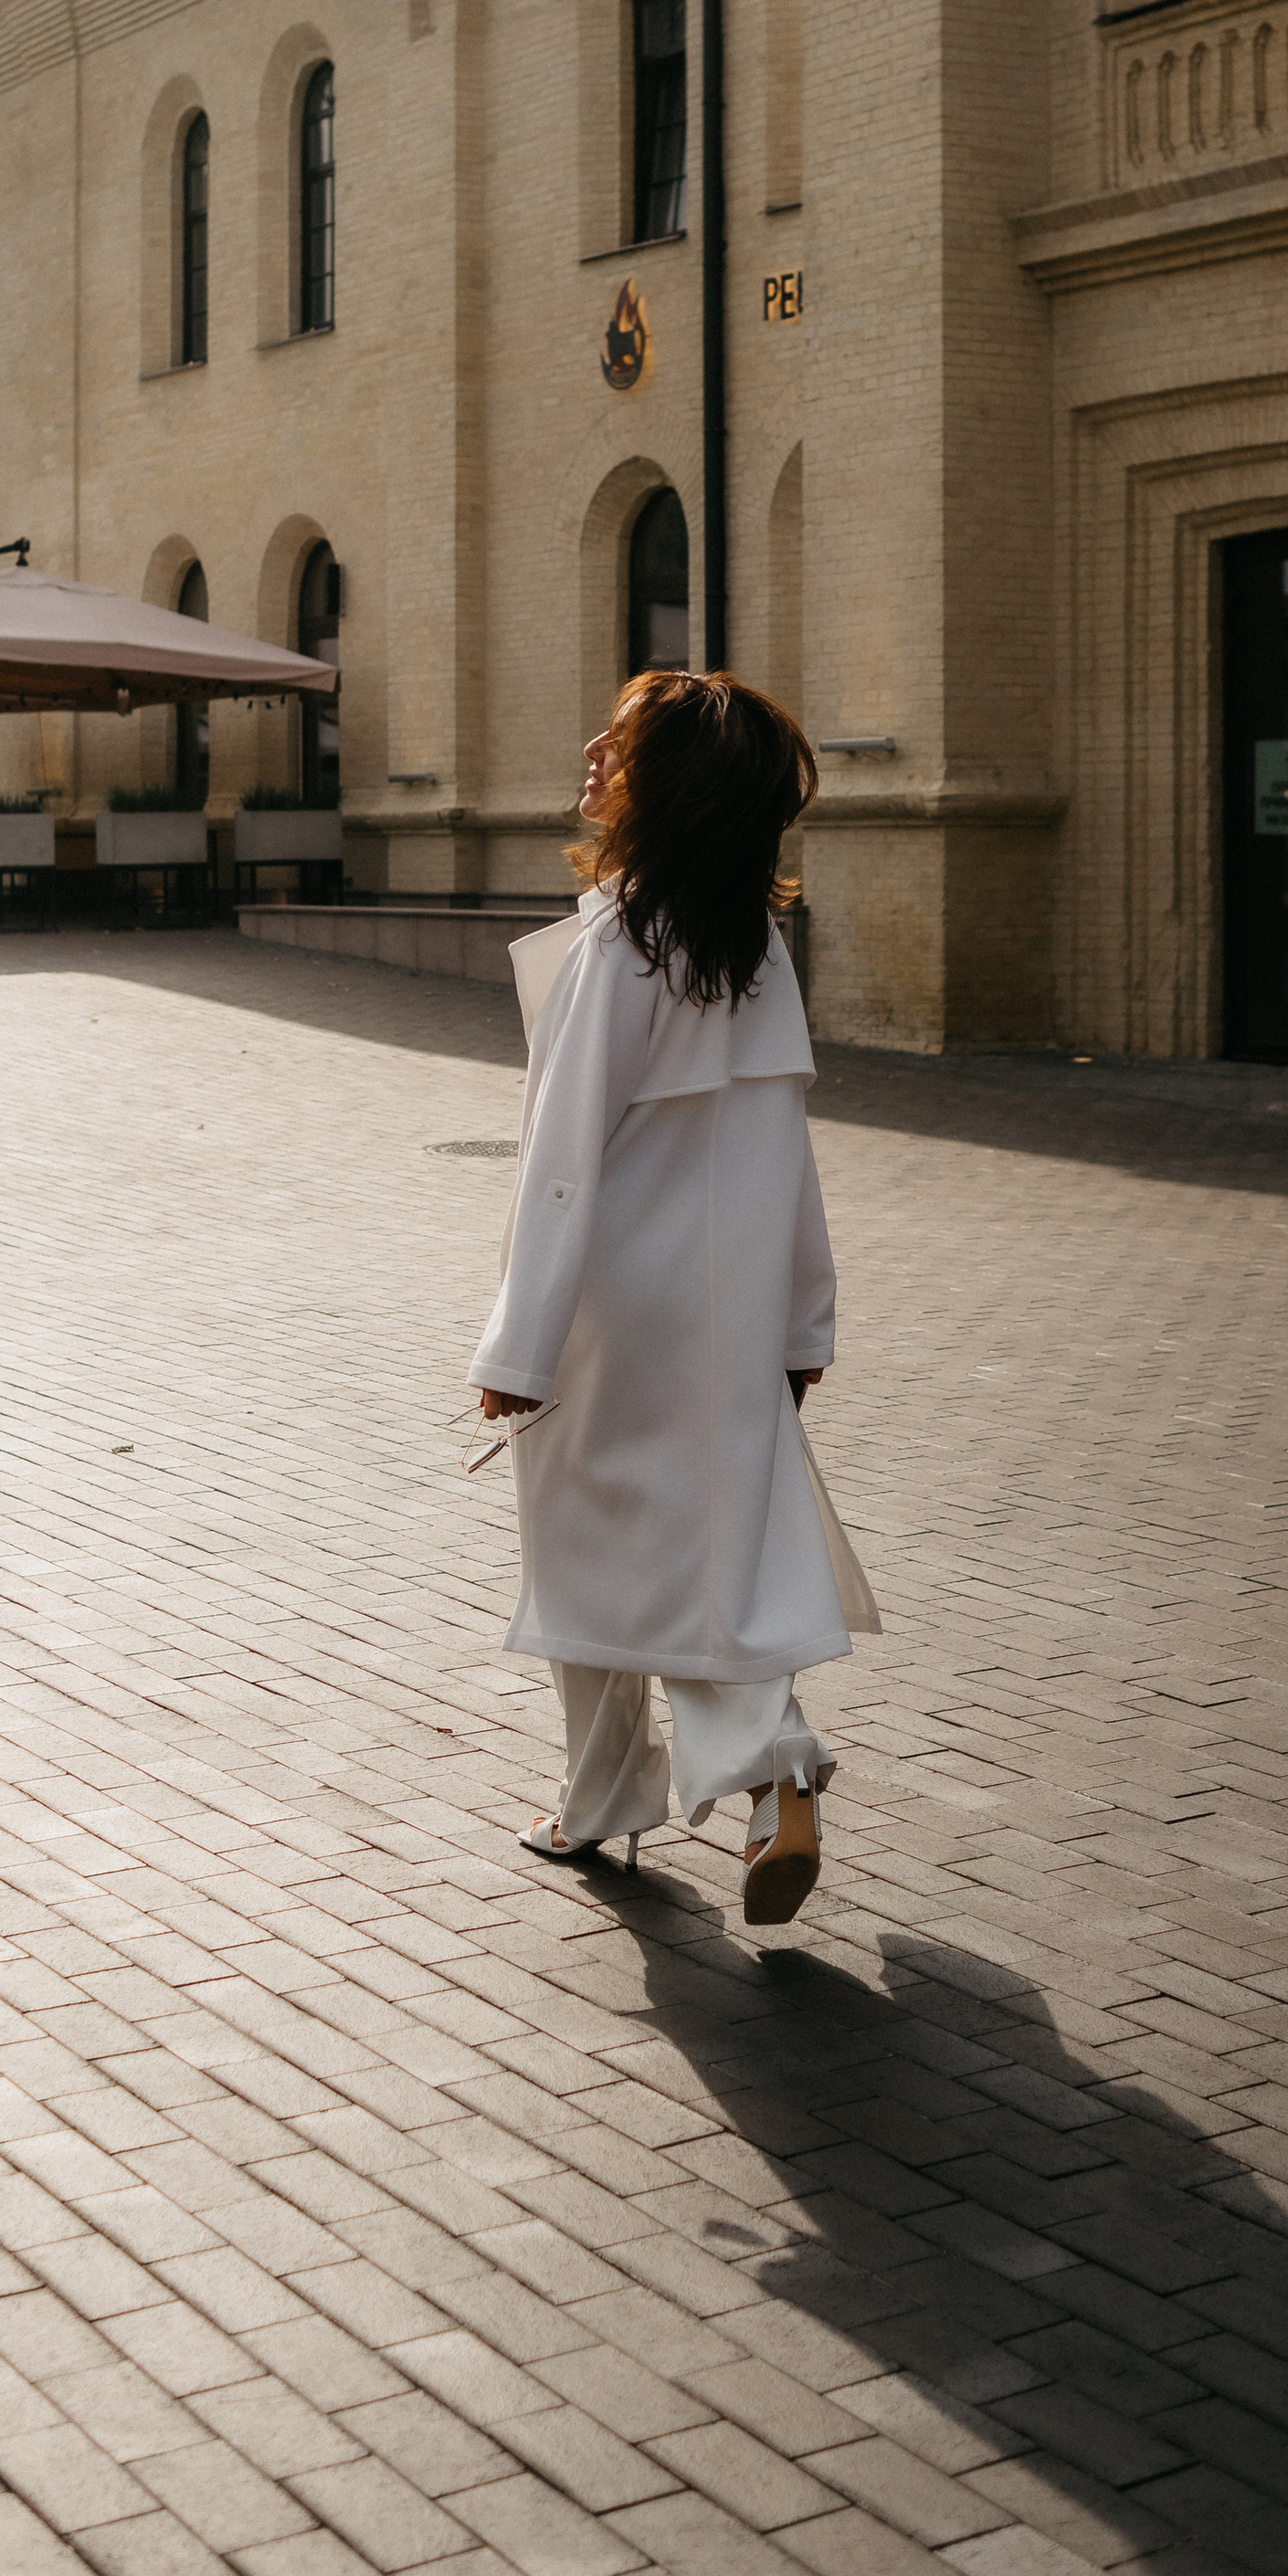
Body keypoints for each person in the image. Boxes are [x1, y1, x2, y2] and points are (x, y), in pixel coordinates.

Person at [469, 668, 879, 1925]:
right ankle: (772, 1771)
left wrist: (518, 1343)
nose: (593, 748)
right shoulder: (755, 956)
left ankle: (606, 1795)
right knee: (709, 1555)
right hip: (730, 1311)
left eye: (624, 740)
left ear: (672, 789)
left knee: (588, 1555)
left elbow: (559, 1166)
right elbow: (787, 1152)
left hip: (610, 1319)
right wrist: (805, 1317)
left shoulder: (614, 944)